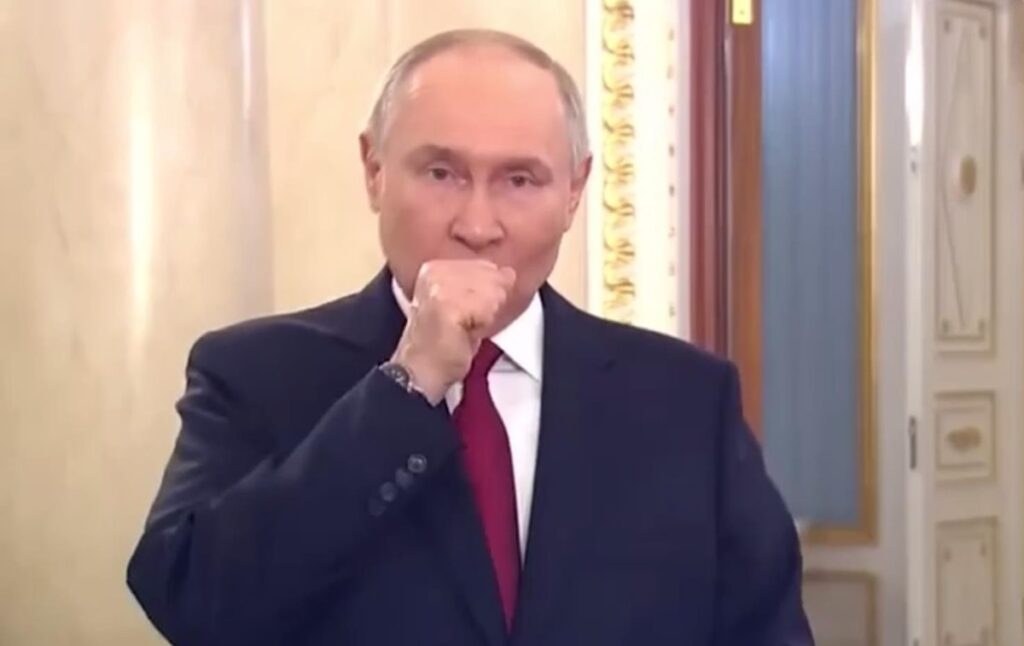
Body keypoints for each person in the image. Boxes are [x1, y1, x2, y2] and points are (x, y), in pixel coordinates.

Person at [127, 29, 813, 646]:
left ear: (575, 190)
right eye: (441, 173)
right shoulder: (253, 373)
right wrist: (407, 386)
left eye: (520, 179)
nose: (477, 226)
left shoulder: (686, 400)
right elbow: (194, 607)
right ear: (373, 170)